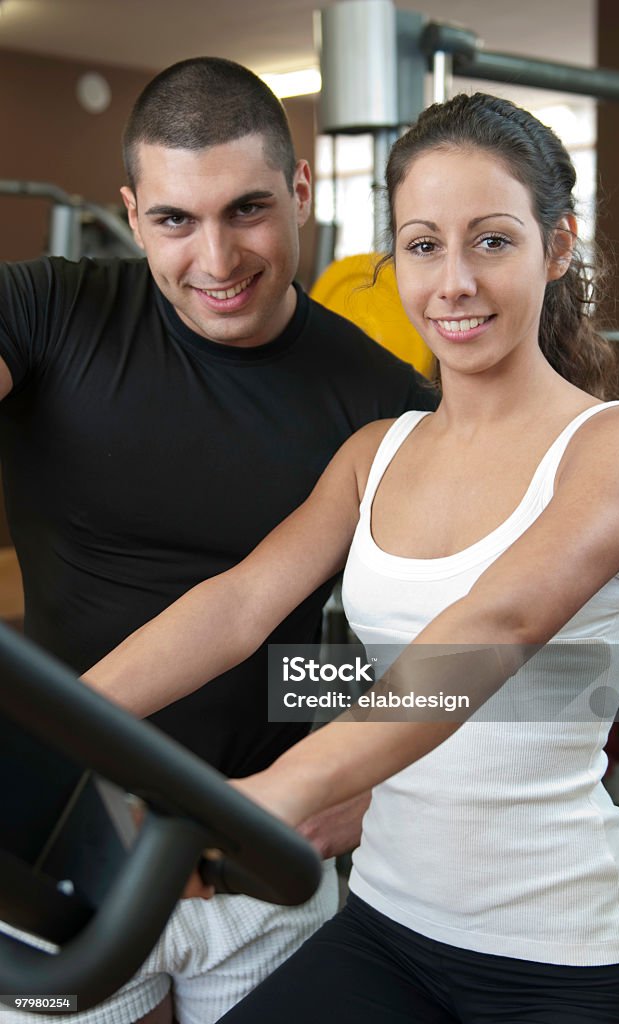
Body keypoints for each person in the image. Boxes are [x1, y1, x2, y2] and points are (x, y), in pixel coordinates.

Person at [84, 92, 619, 1022]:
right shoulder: (376, 452)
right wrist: (60, 725)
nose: (453, 283)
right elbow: (239, 606)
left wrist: (283, 789)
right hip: (387, 931)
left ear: (556, 246)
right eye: (423, 244)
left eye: (491, 241)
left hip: (562, 960)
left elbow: (493, 632)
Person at [0, 58, 437, 1024]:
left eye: (247, 210)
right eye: (174, 221)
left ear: (301, 191)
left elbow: (459, 647)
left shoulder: (381, 404)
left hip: (261, 857)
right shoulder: (45, 311)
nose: (217, 259)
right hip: (58, 848)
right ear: (131, 208)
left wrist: (368, 776)